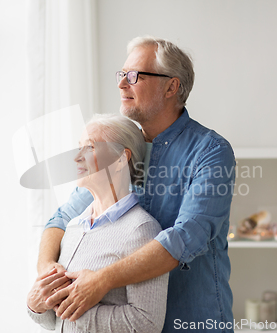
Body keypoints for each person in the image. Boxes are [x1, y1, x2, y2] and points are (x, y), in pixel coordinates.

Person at [34, 36, 236, 332]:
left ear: (171, 86)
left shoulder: (210, 151)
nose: (121, 84)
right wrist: (45, 273)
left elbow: (184, 238)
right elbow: (61, 219)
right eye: (122, 74)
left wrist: (102, 279)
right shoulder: (117, 147)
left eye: (134, 76)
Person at [27, 114, 169, 332]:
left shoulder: (141, 230)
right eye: (79, 147)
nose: (76, 158)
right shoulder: (74, 226)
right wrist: (35, 305)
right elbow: (52, 322)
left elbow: (146, 323)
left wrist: (70, 310)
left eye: (90, 147)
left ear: (121, 159)